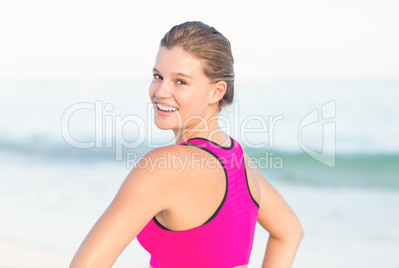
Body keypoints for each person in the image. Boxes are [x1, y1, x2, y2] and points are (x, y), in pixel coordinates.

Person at [70, 21, 303, 268]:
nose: (160, 91)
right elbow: (289, 232)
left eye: (180, 81)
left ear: (217, 91)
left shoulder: (162, 168)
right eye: (158, 76)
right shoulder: (238, 160)